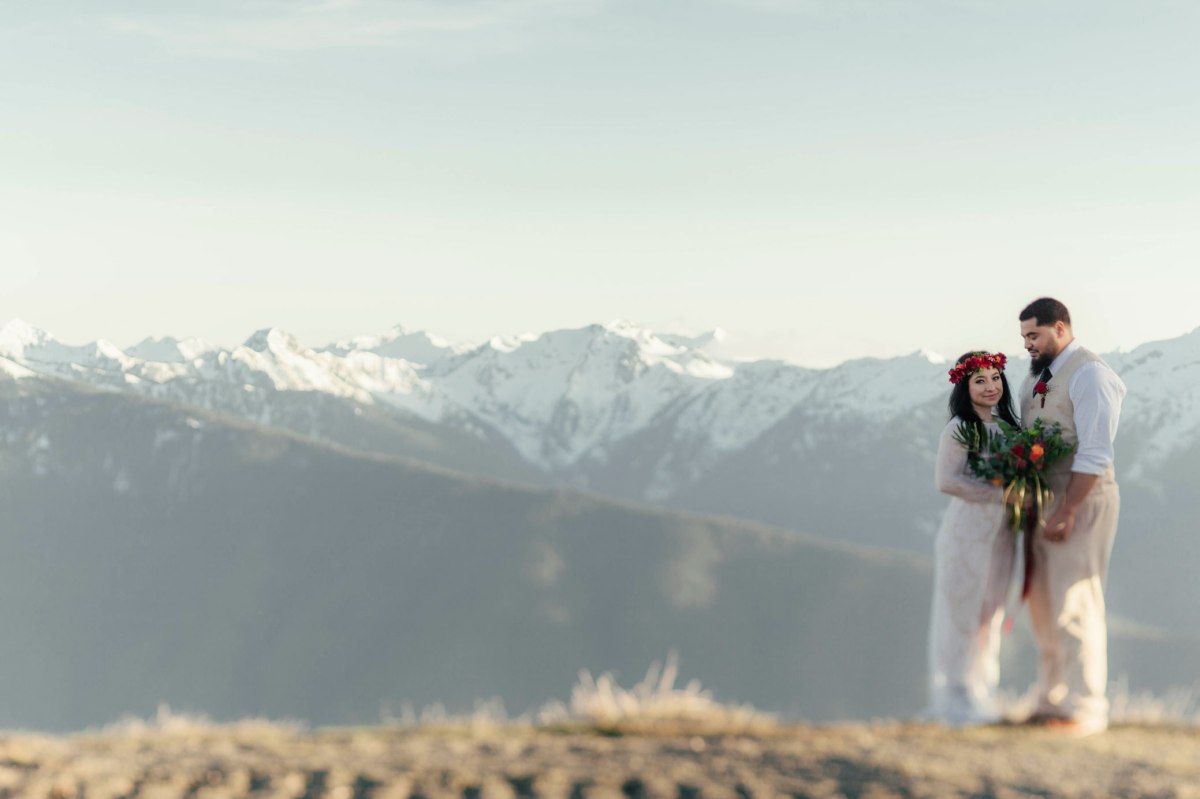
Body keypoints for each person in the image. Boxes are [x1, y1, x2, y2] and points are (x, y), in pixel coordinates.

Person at [1017, 297, 1125, 737]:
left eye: (1034, 335)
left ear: (1060, 328)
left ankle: (1086, 708)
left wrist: (1068, 509)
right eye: (1024, 336)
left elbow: (1096, 451)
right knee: (1043, 602)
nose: (1027, 344)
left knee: (1075, 601)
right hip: (1043, 497)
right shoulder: (1038, 375)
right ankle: (1052, 700)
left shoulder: (1091, 374)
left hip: (1082, 497)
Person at [926, 350, 1020, 726]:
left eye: (995, 378)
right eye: (980, 381)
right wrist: (999, 494)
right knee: (960, 612)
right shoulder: (959, 428)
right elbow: (946, 481)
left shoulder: (1009, 429)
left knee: (989, 613)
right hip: (966, 532)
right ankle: (955, 694)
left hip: (1002, 535)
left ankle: (982, 690)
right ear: (964, 387)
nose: (990, 386)